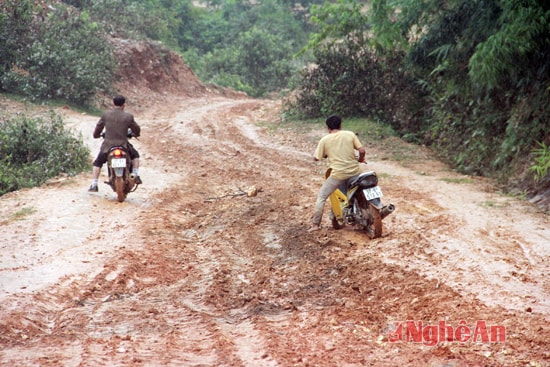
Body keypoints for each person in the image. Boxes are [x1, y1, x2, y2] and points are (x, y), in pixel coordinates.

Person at [309, 114, 366, 232]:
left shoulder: (325, 140)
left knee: (322, 196)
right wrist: (360, 159)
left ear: (328, 128)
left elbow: (316, 158)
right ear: (340, 125)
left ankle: (315, 224)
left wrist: (315, 156)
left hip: (338, 175)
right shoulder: (350, 134)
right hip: (355, 172)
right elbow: (362, 150)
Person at [88, 95, 142, 192]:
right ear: (124, 105)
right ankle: (135, 175)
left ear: (113, 103)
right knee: (135, 155)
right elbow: (136, 129)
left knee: (98, 162)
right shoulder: (128, 116)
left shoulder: (106, 115)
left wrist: (96, 135)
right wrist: (135, 133)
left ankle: (94, 184)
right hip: (123, 145)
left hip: (108, 146)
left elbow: (98, 127)